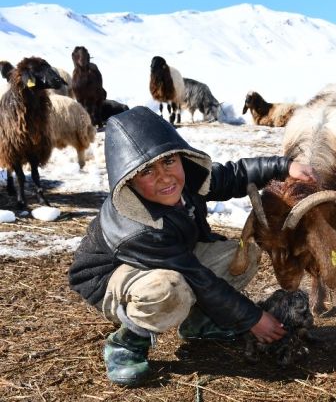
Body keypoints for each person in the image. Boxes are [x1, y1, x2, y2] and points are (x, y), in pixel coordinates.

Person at [68, 107, 317, 387]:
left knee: (241, 255)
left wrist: (284, 167)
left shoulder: (186, 181)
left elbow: (235, 174)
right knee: (169, 289)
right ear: (129, 180)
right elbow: (197, 278)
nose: (165, 177)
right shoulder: (137, 226)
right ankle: (128, 342)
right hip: (112, 277)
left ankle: (199, 322)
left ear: (180, 157)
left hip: (173, 259)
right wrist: (253, 318)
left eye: (169, 161)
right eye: (147, 170)